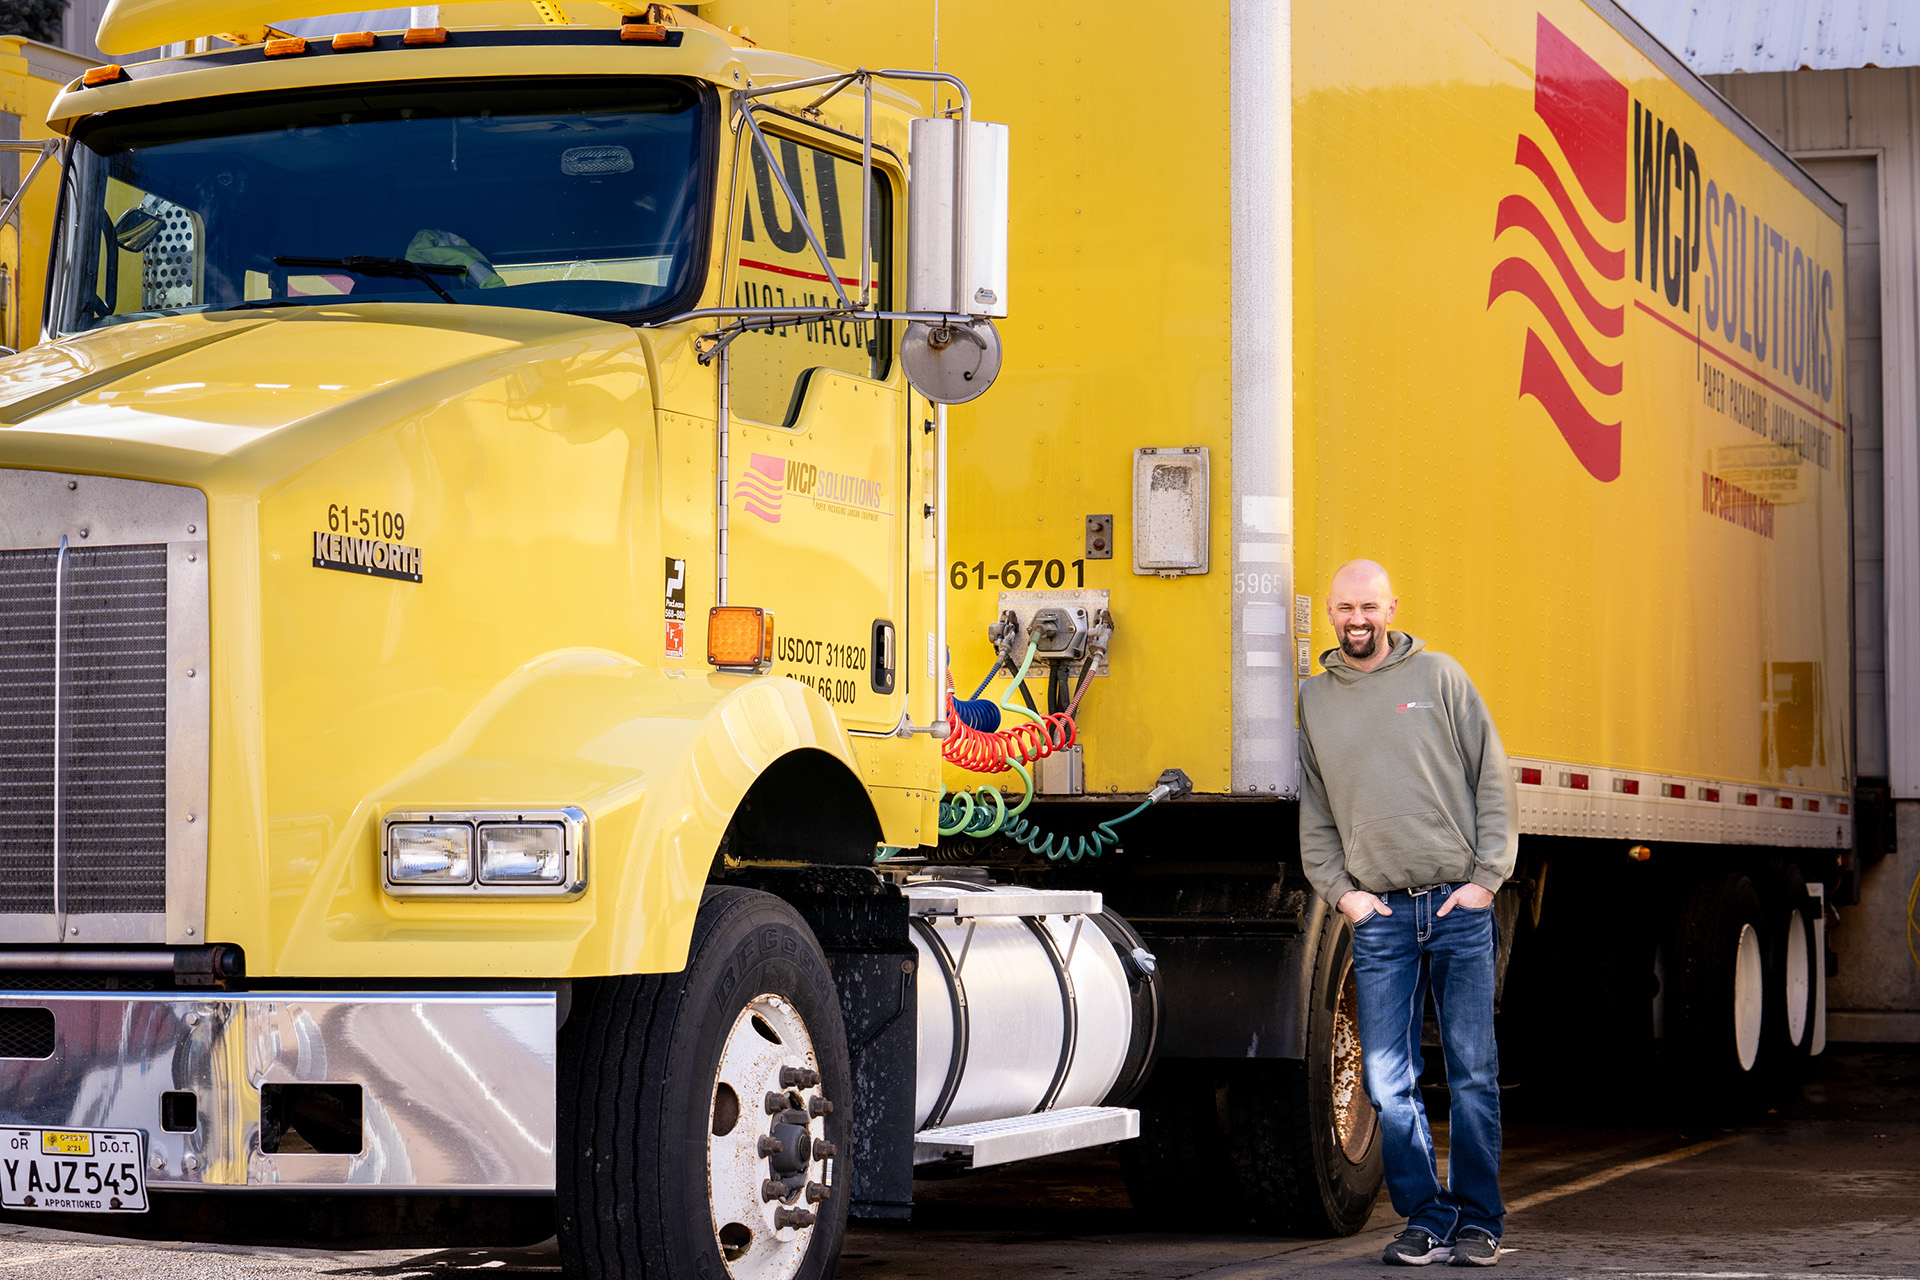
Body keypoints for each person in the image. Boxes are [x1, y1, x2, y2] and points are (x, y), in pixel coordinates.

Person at [1297, 560, 1516, 1267]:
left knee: (1472, 1072)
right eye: (1343, 607)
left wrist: (1486, 879)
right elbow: (1317, 813)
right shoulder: (1316, 701)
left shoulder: (1440, 678)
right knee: (1389, 1081)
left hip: (1456, 904)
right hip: (1382, 915)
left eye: (1368, 605)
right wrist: (1343, 893)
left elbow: (1492, 774)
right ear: (1327, 613)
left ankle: (1480, 1220)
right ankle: (1427, 1216)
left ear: (1391, 606)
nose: (1356, 619)